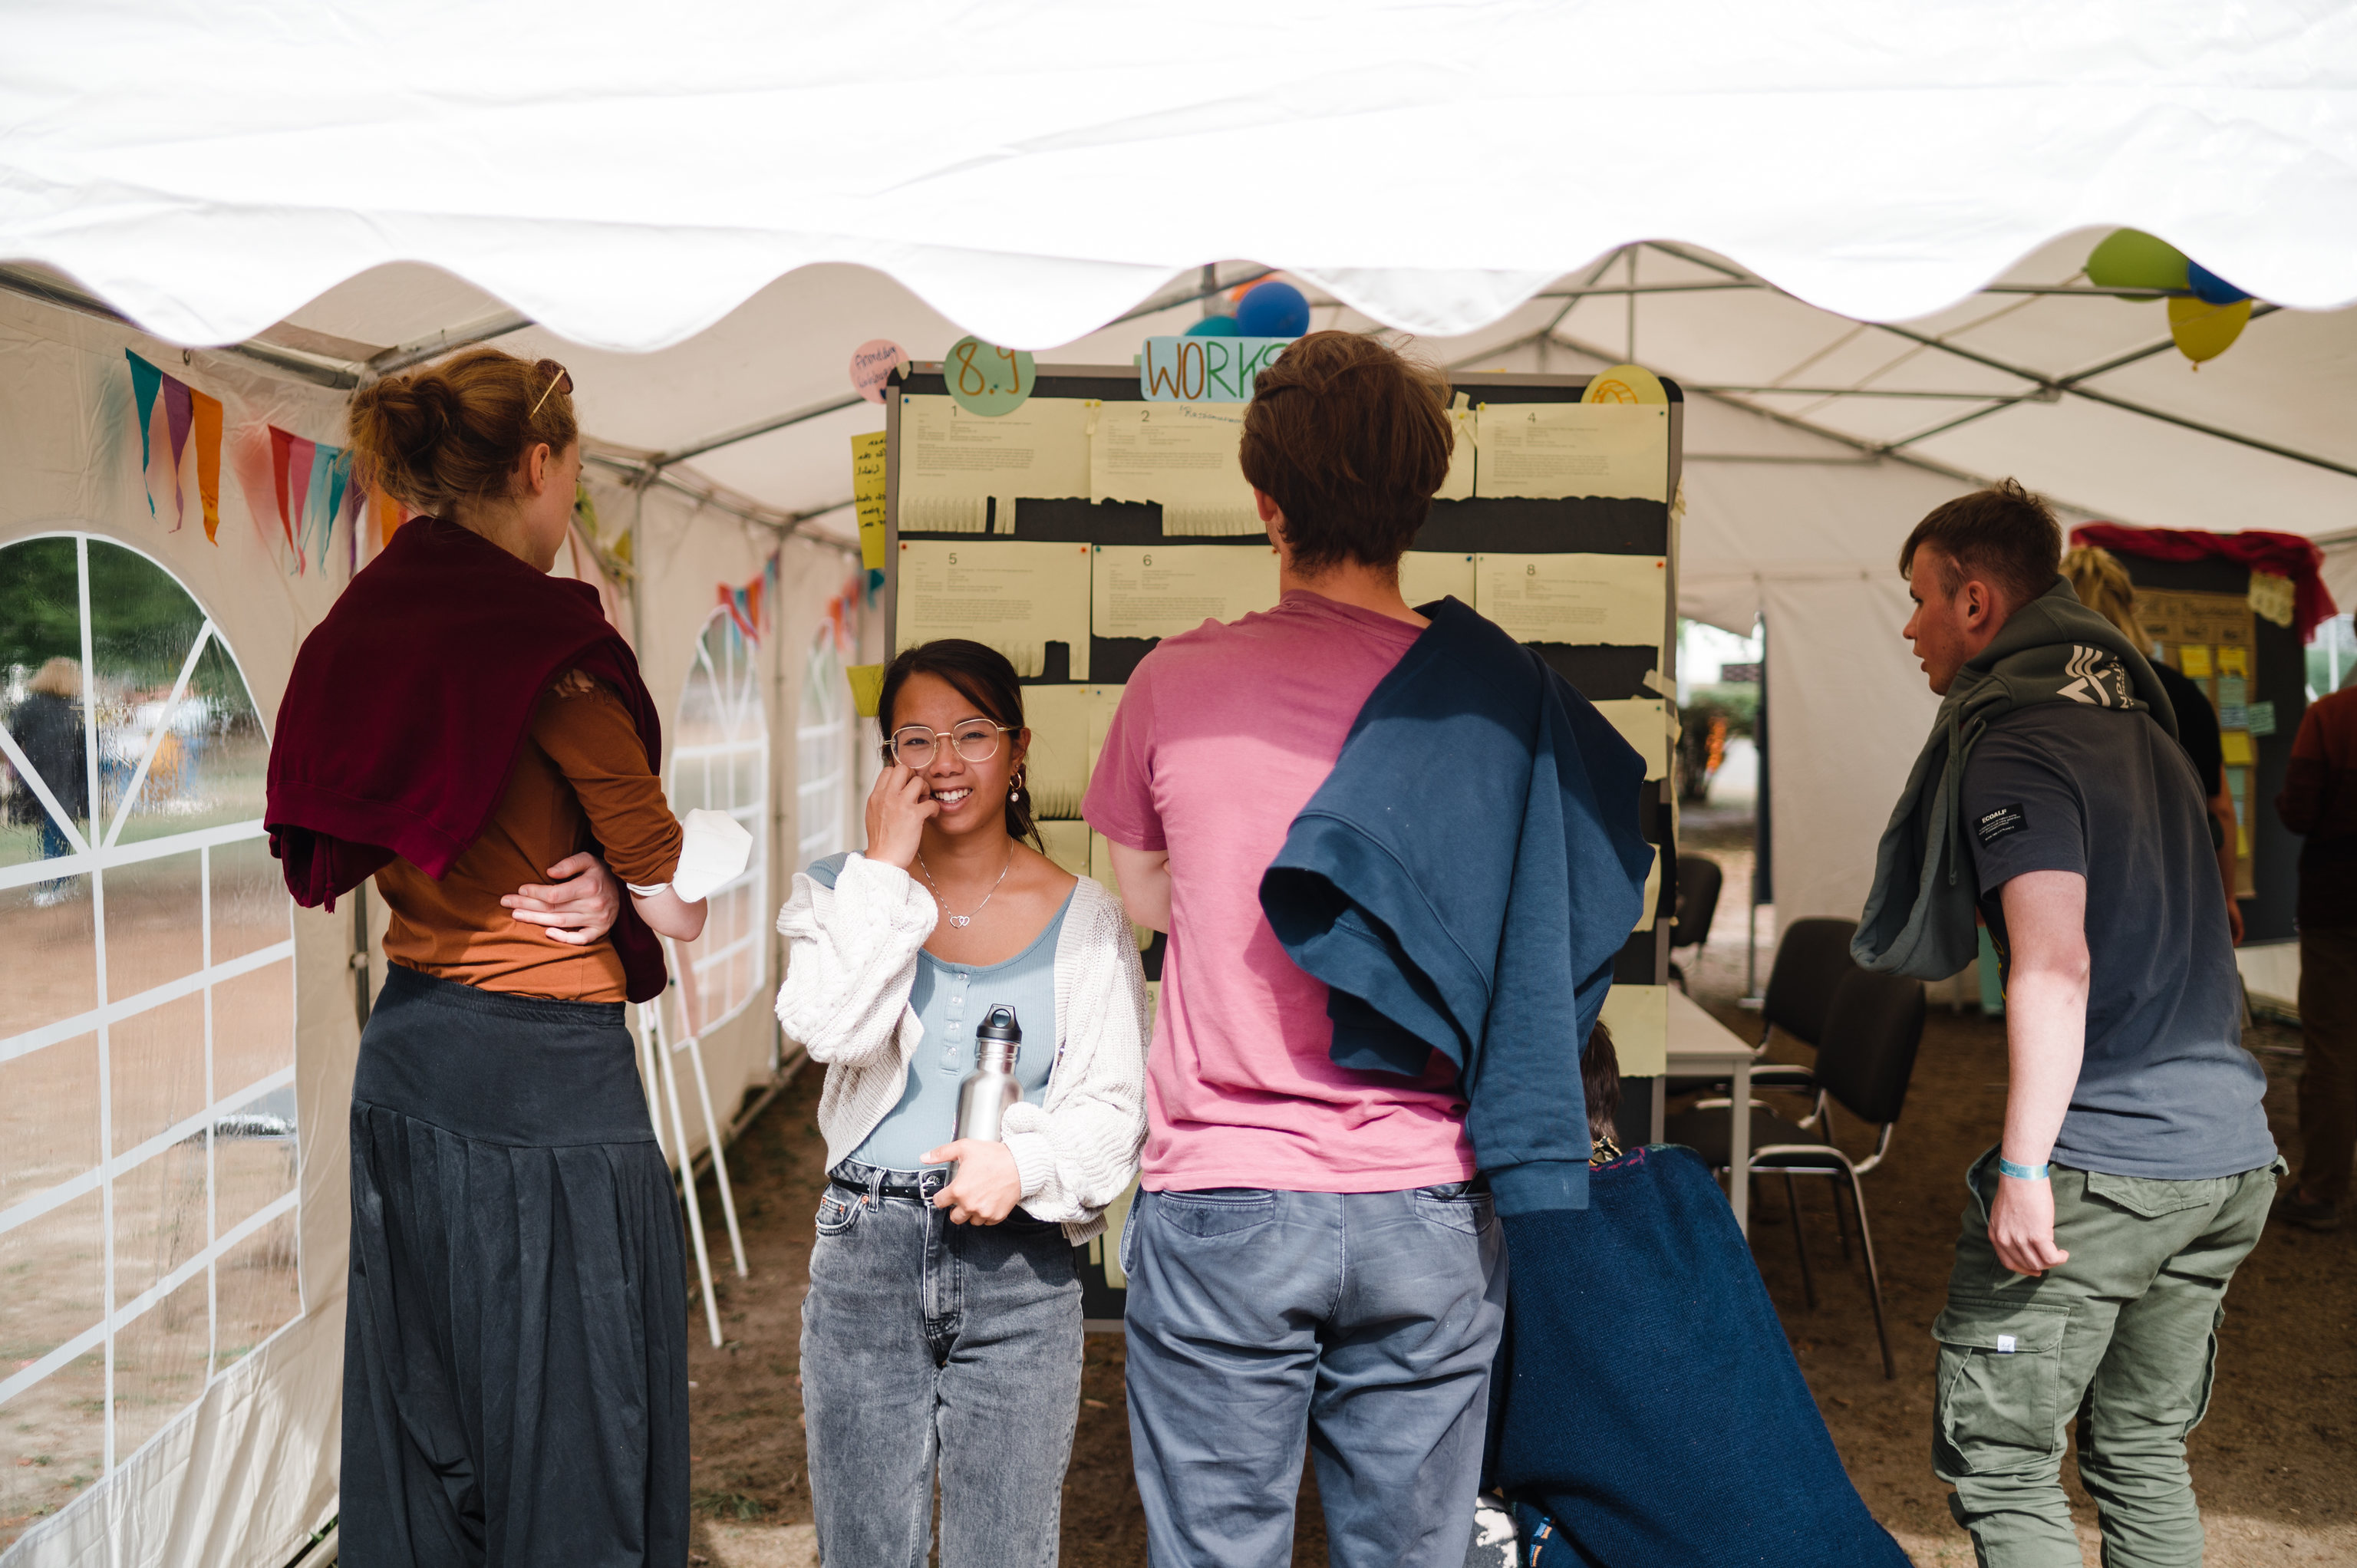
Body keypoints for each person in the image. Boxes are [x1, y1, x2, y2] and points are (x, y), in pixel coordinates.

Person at [1085, 331, 1619, 1568]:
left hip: (1223, 1190)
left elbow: (1151, 898)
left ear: (1266, 504)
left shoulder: (1174, 680)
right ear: (1420, 500)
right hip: (1424, 1194)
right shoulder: (1496, 701)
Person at [267, 348, 710, 1567]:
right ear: (538, 464)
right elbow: (677, 905)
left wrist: (612, 882)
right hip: (549, 1090)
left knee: (427, 1440)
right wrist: (631, 888)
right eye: (573, 471)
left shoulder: (363, 624)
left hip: (409, 1068)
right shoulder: (545, 647)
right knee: (574, 1448)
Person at [1866, 479, 2279, 1567]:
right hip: (2226, 1155)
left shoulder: (2017, 743)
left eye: (1917, 598)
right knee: (2144, 1452)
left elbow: (2054, 966)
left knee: (2003, 1462)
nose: (1908, 627)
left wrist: (2024, 1166)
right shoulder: (2148, 730)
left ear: (1976, 600)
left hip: (2107, 1165)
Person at [775, 639, 1147, 1568]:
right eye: (915, 738)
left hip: (1019, 1269)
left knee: (1007, 1551)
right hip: (866, 1251)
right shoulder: (839, 892)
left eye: (971, 733)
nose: (944, 762)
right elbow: (833, 1030)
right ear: (887, 761)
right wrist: (884, 870)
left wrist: (1022, 1164)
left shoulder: (1088, 915)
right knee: (865, 1549)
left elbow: (1113, 1107)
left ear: (1018, 749)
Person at [2060, 545, 2244, 944]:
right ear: (2129, 606)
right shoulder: (2181, 695)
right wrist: (2227, 897)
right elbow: (2221, 809)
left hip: (2082, 900)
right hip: (2178, 897)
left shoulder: (2053, 697)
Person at [2274, 660, 2357, 1232]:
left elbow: (2299, 811)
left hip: (2338, 906)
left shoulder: (2330, 716)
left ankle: (2321, 1191)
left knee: (2332, 1052)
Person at [4, 656, 86, 904]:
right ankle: (57, 884)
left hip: (42, 778)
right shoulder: (73, 708)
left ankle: (57, 884)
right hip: (64, 779)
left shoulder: (31, 707)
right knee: (57, 831)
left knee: (53, 831)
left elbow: (10, 740)